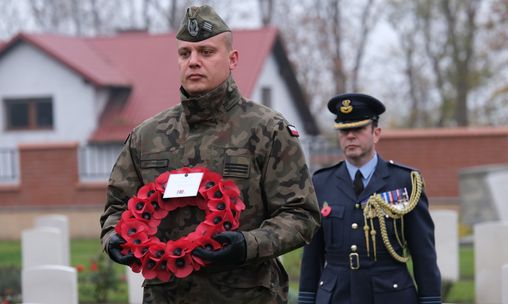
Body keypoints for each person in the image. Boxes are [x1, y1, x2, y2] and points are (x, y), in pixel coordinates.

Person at [99, 5, 321, 304]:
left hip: (245, 295)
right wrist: (115, 237)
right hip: (167, 296)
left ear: (232, 59)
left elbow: (301, 215)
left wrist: (247, 244)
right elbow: (117, 206)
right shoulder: (147, 136)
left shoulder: (267, 130)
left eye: (206, 52)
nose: (193, 62)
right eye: (185, 53)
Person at [298, 93, 441, 304]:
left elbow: (424, 253)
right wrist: (306, 299)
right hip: (337, 296)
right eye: (344, 130)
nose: (350, 136)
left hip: (390, 295)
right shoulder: (321, 183)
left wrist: (430, 300)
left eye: (358, 129)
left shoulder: (404, 181)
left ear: (376, 133)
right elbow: (312, 256)